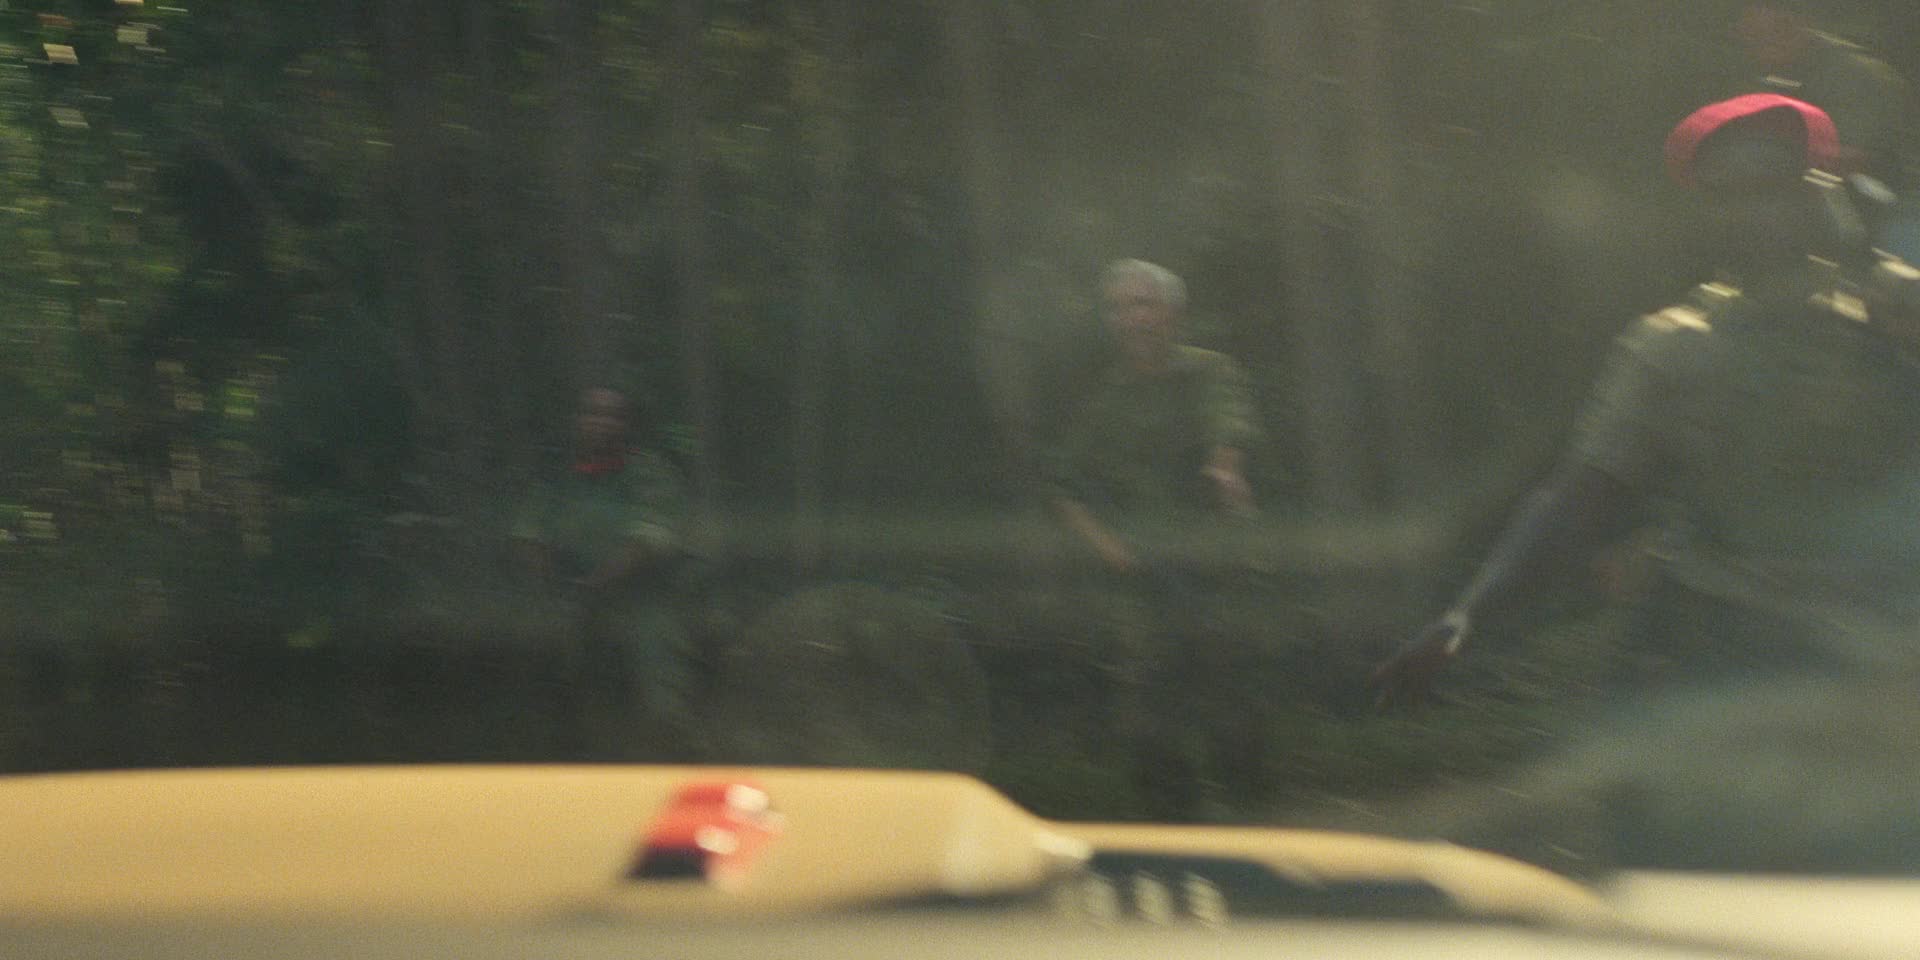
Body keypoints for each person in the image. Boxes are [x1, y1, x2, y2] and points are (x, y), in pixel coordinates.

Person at [1372, 94, 1920, 708]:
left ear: (1818, 198)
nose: (1760, 213)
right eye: (1732, 197)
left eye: (1779, 187)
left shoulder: (1892, 323)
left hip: (1875, 655)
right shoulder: (1677, 348)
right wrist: (1467, 618)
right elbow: (1577, 500)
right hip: (1720, 651)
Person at [1045, 258, 1262, 818]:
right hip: (1143, 578)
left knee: (1232, 701)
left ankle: (1256, 818)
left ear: (1172, 312)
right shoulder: (1105, 401)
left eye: (1142, 304)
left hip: (1215, 567)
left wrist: (1224, 468)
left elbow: (1228, 426)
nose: (1131, 319)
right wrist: (1107, 548)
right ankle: (1171, 828)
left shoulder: (1209, 372)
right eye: (1119, 308)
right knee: (1149, 714)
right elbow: (1064, 487)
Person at [514, 385, 692, 755]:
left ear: (627, 425)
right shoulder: (557, 474)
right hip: (566, 594)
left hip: (643, 597)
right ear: (578, 420)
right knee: (550, 671)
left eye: (612, 416)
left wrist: (598, 581)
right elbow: (529, 533)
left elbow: (650, 538)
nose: (601, 423)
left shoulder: (648, 473)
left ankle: (668, 749)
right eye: (592, 413)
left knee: (659, 672)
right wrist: (552, 582)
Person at [1731, 2, 1918, 258]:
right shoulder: (1775, 75)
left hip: (1900, 198)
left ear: (1797, 26)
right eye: (1751, 41)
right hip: (1843, 196)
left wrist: (1775, 159)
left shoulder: (1853, 74)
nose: (1758, 50)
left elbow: (1850, 158)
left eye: (1766, 38)